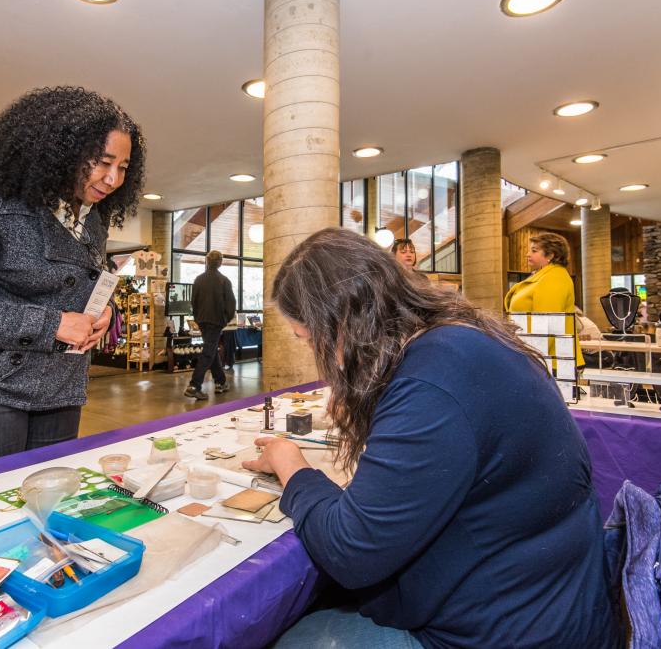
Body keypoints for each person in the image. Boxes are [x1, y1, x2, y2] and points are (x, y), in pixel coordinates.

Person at [245, 228, 621, 648]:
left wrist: (290, 465)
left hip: (507, 630)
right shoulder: (463, 341)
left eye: (309, 339)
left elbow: (351, 550)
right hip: (550, 601)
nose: (314, 353)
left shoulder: (430, 383)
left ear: (343, 324)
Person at [0, 86, 146, 468]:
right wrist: (52, 324)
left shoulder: (92, 218)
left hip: (60, 390)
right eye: (102, 162)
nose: (112, 179)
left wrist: (105, 313)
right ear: (62, 151)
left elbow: (80, 284)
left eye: (122, 167)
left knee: (48, 505)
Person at [505, 232, 583, 366]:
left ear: (551, 255)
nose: (528, 254)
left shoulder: (554, 278)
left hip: (551, 360)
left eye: (534, 251)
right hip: (539, 354)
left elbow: (548, 324)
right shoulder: (544, 276)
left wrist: (534, 361)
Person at [184, 250, 236, 400]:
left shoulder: (198, 279)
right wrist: (225, 319)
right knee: (208, 352)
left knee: (211, 350)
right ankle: (194, 385)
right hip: (216, 321)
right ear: (220, 262)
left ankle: (221, 382)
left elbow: (194, 301)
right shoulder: (224, 280)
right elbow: (231, 304)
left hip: (202, 321)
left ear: (207, 261)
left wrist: (198, 318)